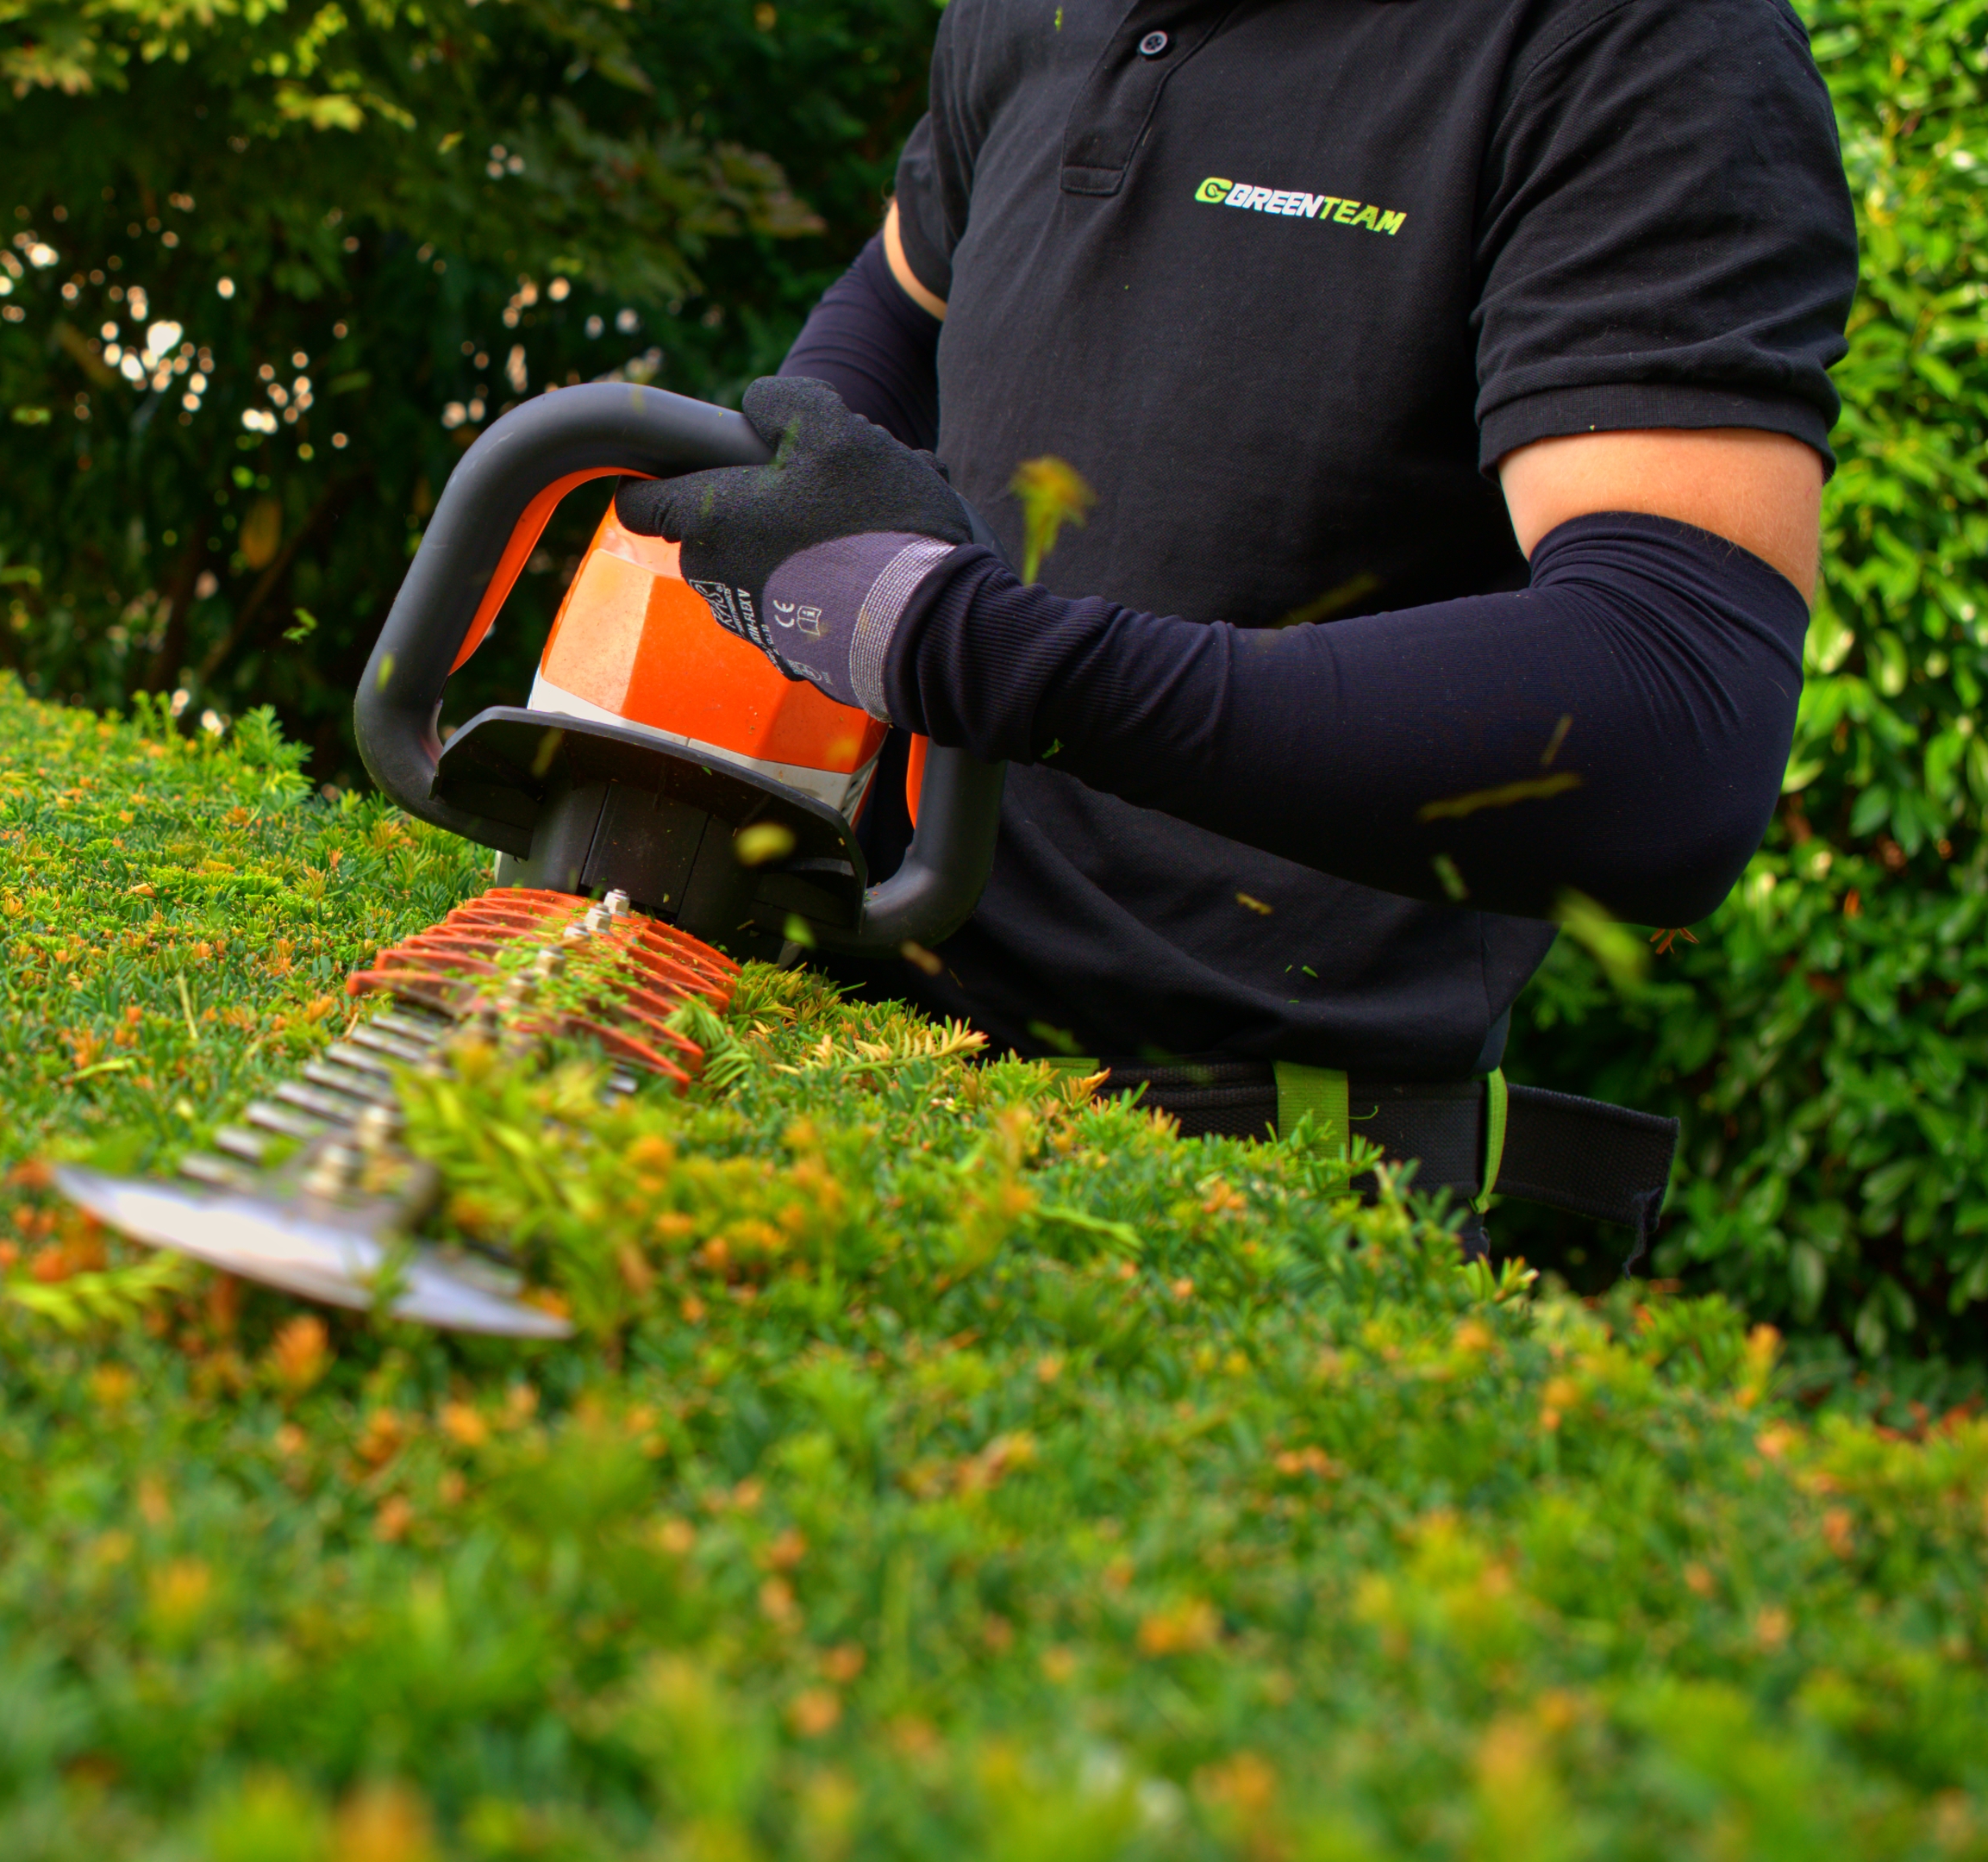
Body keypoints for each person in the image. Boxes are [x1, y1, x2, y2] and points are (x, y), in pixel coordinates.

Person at [611, 0, 1856, 1242]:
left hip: (1251, 1189)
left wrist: (963, 643)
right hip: (826, 1057)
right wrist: (795, 500)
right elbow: (900, 295)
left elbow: (1674, 707)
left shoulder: (1642, 40)